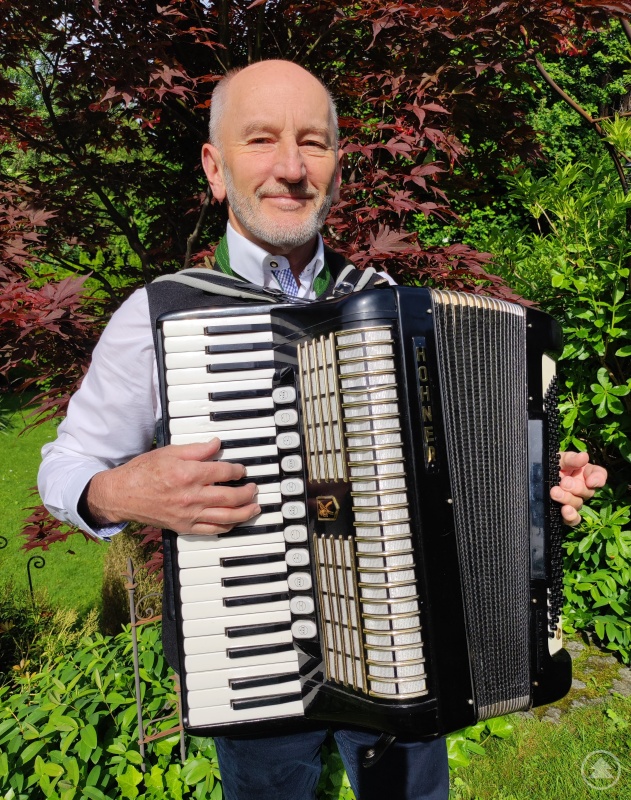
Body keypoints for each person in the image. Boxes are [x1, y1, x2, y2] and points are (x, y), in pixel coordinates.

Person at [39, 60, 607, 800]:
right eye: (260, 140)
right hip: (253, 668)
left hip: (403, 656)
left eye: (312, 142)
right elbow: (67, 461)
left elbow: (445, 467)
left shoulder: (388, 304)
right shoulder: (164, 313)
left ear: (336, 169)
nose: (290, 166)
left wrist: (527, 483)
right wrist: (115, 491)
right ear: (215, 168)